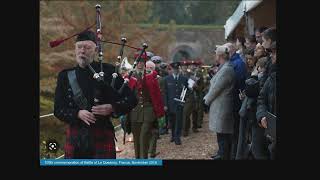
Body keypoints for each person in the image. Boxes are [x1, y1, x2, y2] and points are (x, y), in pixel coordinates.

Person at [53, 30, 137, 159]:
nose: (82, 51)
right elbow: (58, 109)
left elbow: (131, 99)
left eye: (87, 47)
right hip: (76, 137)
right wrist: (77, 114)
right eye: (79, 47)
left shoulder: (108, 71)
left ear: (95, 50)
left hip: (102, 133)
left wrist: (112, 107)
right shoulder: (65, 75)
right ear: (75, 49)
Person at [127, 52, 165, 159]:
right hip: (134, 111)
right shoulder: (130, 75)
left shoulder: (151, 75)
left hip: (148, 110)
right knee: (137, 138)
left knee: (144, 136)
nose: (140, 64)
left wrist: (160, 111)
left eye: (142, 61)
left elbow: (156, 94)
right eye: (138, 61)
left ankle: (144, 160)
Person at [204, 45, 236, 160]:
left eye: (216, 54)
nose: (215, 56)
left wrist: (206, 101)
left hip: (223, 106)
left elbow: (216, 88)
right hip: (221, 105)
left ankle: (224, 155)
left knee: (223, 133)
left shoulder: (227, 69)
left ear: (220, 55)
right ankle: (221, 153)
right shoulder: (224, 67)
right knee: (220, 132)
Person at [224, 42, 247, 160]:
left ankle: (233, 155)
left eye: (225, 51)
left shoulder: (238, 63)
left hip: (235, 102)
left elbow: (234, 83)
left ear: (230, 51)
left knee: (234, 132)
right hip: (231, 101)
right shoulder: (234, 62)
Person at [256, 41, 277, 160]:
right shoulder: (272, 77)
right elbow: (262, 99)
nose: (271, 56)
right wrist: (262, 115)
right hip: (273, 134)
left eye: (274, 53)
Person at [163, 62, 188, 145]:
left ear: (178, 69)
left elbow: (187, 90)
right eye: (174, 69)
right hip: (170, 104)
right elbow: (165, 93)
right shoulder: (167, 79)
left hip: (179, 104)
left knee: (179, 121)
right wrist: (165, 104)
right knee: (172, 121)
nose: (175, 70)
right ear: (171, 69)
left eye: (177, 69)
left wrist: (184, 99)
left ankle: (177, 137)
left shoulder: (184, 79)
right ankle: (173, 135)